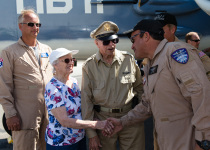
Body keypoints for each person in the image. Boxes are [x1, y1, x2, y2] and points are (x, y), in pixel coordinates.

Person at [105, 19, 210, 150]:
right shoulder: (151, 63)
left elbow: (202, 95)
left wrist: (204, 141)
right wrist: (122, 122)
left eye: (133, 39)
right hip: (166, 142)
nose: (132, 46)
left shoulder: (175, 52)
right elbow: (147, 104)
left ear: (146, 36)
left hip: (187, 143)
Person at [81, 21, 145, 150]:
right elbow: (86, 101)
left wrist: (138, 114)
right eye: (106, 42)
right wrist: (92, 133)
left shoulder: (128, 60)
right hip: (104, 122)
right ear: (97, 43)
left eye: (114, 40)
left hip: (129, 119)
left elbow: (140, 89)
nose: (111, 45)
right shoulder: (89, 66)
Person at [0, 9, 53, 150]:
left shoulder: (47, 50)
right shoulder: (9, 52)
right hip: (24, 117)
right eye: (31, 24)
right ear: (20, 26)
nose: (35, 28)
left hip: (47, 117)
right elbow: (3, 86)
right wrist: (10, 115)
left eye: (37, 24)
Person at [45, 48, 113, 150]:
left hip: (79, 139)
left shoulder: (74, 82)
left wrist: (95, 120)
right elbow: (64, 121)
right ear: (55, 65)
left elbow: (81, 109)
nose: (71, 63)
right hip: (62, 144)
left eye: (72, 60)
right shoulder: (53, 88)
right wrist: (95, 124)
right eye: (67, 60)